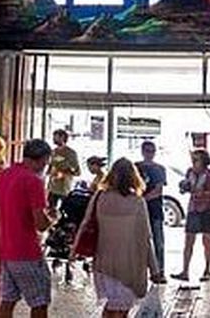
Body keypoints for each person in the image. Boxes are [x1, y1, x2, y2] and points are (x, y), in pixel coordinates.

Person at [0, 139, 57, 317]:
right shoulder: (33, 181)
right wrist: (53, 219)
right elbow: (40, 224)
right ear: (43, 159)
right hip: (26, 251)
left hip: (3, 248)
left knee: (7, 300)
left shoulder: (3, 175)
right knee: (39, 302)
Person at [92, 158, 156, 318]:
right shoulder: (138, 202)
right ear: (133, 178)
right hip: (128, 265)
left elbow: (88, 223)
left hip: (103, 262)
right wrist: (154, 268)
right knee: (121, 310)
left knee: (110, 307)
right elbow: (146, 237)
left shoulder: (101, 198)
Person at [172, 148, 210, 282]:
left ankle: (207, 270)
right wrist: (184, 187)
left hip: (208, 209)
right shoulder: (190, 172)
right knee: (188, 241)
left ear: (204, 161)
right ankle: (185, 271)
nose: (193, 162)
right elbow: (187, 187)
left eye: (196, 159)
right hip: (193, 209)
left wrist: (204, 193)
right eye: (193, 159)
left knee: (206, 241)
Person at [135, 140, 169, 284]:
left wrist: (142, 199)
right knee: (138, 242)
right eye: (147, 151)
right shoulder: (135, 167)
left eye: (152, 151)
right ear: (142, 151)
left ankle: (159, 271)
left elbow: (158, 190)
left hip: (154, 210)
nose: (149, 154)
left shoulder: (159, 169)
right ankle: (139, 272)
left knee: (158, 242)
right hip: (138, 212)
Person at [47, 129, 81, 209]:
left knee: (65, 209)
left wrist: (64, 172)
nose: (53, 139)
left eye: (56, 137)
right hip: (52, 187)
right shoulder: (53, 152)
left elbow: (77, 171)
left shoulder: (71, 153)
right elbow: (50, 166)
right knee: (50, 209)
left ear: (62, 137)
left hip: (64, 188)